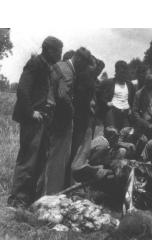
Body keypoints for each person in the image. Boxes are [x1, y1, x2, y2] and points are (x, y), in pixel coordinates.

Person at [8, 36, 63, 208]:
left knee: (38, 160)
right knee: (28, 159)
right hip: (33, 120)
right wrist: (31, 112)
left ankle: (28, 198)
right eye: (58, 51)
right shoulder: (35, 64)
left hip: (43, 120)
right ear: (47, 49)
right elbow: (23, 90)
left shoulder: (49, 68)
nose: (60, 54)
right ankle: (17, 199)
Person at [39, 47, 93, 195]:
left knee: (48, 159)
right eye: (84, 65)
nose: (83, 69)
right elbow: (63, 95)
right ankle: (51, 195)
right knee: (57, 161)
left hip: (51, 119)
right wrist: (72, 111)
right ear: (79, 60)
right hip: (61, 122)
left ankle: (42, 192)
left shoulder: (60, 65)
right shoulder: (68, 71)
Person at [97, 60, 135, 130]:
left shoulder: (130, 85)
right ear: (116, 72)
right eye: (121, 72)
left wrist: (130, 108)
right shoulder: (108, 83)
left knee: (126, 134)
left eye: (124, 72)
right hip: (112, 112)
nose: (123, 74)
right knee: (112, 133)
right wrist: (106, 103)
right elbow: (98, 93)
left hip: (125, 113)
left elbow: (132, 99)